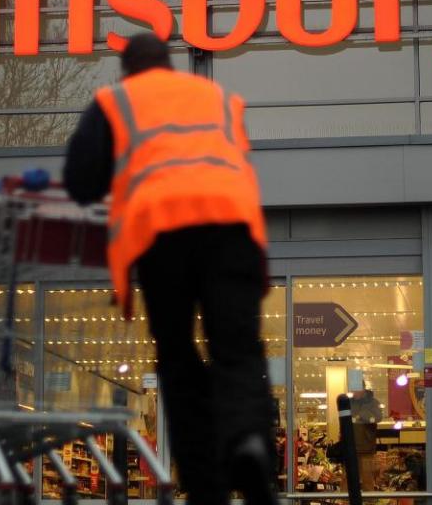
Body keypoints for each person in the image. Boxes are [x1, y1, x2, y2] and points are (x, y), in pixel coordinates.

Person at [63, 33, 276, 505]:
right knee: (237, 350)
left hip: (163, 236)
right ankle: (249, 443)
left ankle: (205, 484)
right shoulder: (217, 98)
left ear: (127, 70)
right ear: (171, 65)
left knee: (178, 358)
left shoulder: (116, 102)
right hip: (232, 229)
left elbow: (80, 179)